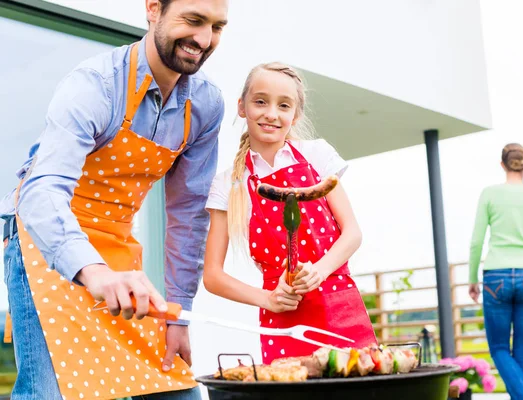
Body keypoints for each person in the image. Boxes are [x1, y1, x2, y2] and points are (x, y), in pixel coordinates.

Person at [0, 0, 228, 398]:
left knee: (175, 391)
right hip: (46, 242)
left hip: (118, 247)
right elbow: (42, 191)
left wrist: (179, 314)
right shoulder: (96, 84)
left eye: (217, 27)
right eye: (193, 20)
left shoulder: (205, 105)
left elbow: (188, 215)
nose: (204, 39)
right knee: (50, 393)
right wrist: (95, 273)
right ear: (153, 9)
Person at [202, 62, 377, 363]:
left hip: (339, 302)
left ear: (294, 116)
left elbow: (352, 233)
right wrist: (267, 300)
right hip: (282, 318)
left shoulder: (317, 155)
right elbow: (212, 276)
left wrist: (319, 271)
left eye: (284, 105)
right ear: (241, 107)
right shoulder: (227, 183)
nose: (271, 113)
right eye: (260, 101)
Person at [468, 143, 523, 400]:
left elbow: (476, 242)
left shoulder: (489, 194)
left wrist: (472, 279)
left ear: (502, 164)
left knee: (499, 349)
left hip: (495, 276)